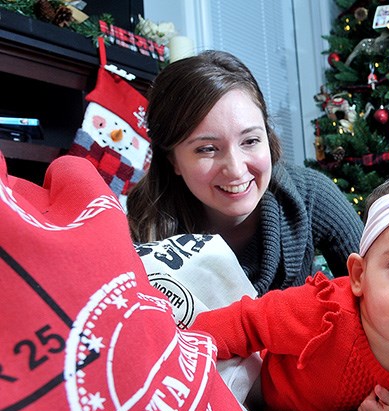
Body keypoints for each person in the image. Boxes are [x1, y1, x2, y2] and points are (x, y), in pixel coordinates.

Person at [191, 169, 389, 411]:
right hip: (255, 381)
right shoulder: (321, 311)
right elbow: (246, 321)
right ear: (358, 275)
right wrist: (181, 344)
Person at [126, 50, 363, 296]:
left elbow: (377, 293)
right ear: (172, 159)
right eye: (207, 149)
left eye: (250, 141)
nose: (236, 169)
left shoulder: (311, 197)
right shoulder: (140, 233)